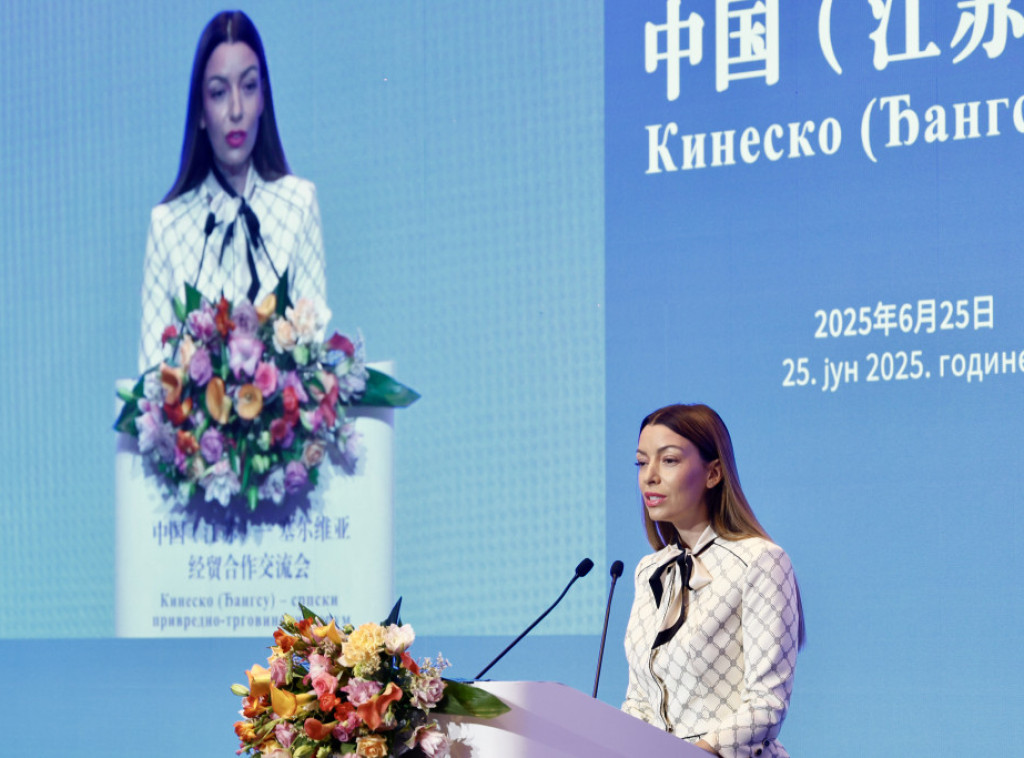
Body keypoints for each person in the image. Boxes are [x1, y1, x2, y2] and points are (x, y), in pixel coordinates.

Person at [139, 10, 326, 372]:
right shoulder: (168, 226)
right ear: (201, 112)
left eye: (249, 86)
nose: (236, 110)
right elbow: (152, 378)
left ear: (263, 99)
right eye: (219, 92)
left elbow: (314, 362)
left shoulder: (299, 205)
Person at [622, 404, 804, 758]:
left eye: (668, 460)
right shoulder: (650, 571)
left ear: (713, 473)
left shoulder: (760, 561)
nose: (649, 476)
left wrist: (696, 753)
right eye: (641, 462)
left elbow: (766, 704)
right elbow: (640, 700)